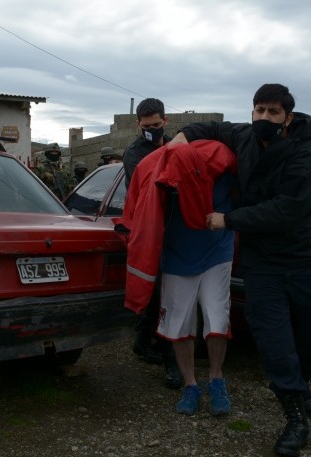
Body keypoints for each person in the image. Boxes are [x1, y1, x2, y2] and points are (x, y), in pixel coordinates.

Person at [169, 83, 311, 456]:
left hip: (303, 262)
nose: (264, 118)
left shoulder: (305, 160)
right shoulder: (243, 137)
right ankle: (294, 417)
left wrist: (229, 219)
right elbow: (210, 127)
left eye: (273, 112)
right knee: (275, 345)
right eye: (259, 110)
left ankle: (302, 384)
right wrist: (181, 137)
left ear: (287, 119)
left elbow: (286, 209)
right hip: (262, 267)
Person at [157, 169, 237, 416]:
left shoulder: (226, 166)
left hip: (217, 250)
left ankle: (216, 379)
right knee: (179, 321)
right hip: (177, 252)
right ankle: (190, 385)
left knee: (217, 315)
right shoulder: (166, 166)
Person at [121, 97, 181, 389]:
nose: (152, 131)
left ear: (165, 122)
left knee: (165, 292)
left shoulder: (175, 146)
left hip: (174, 228)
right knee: (154, 290)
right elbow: (149, 184)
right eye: (146, 127)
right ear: (138, 125)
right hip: (148, 227)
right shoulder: (135, 154)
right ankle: (149, 343)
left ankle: (146, 341)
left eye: (156, 126)